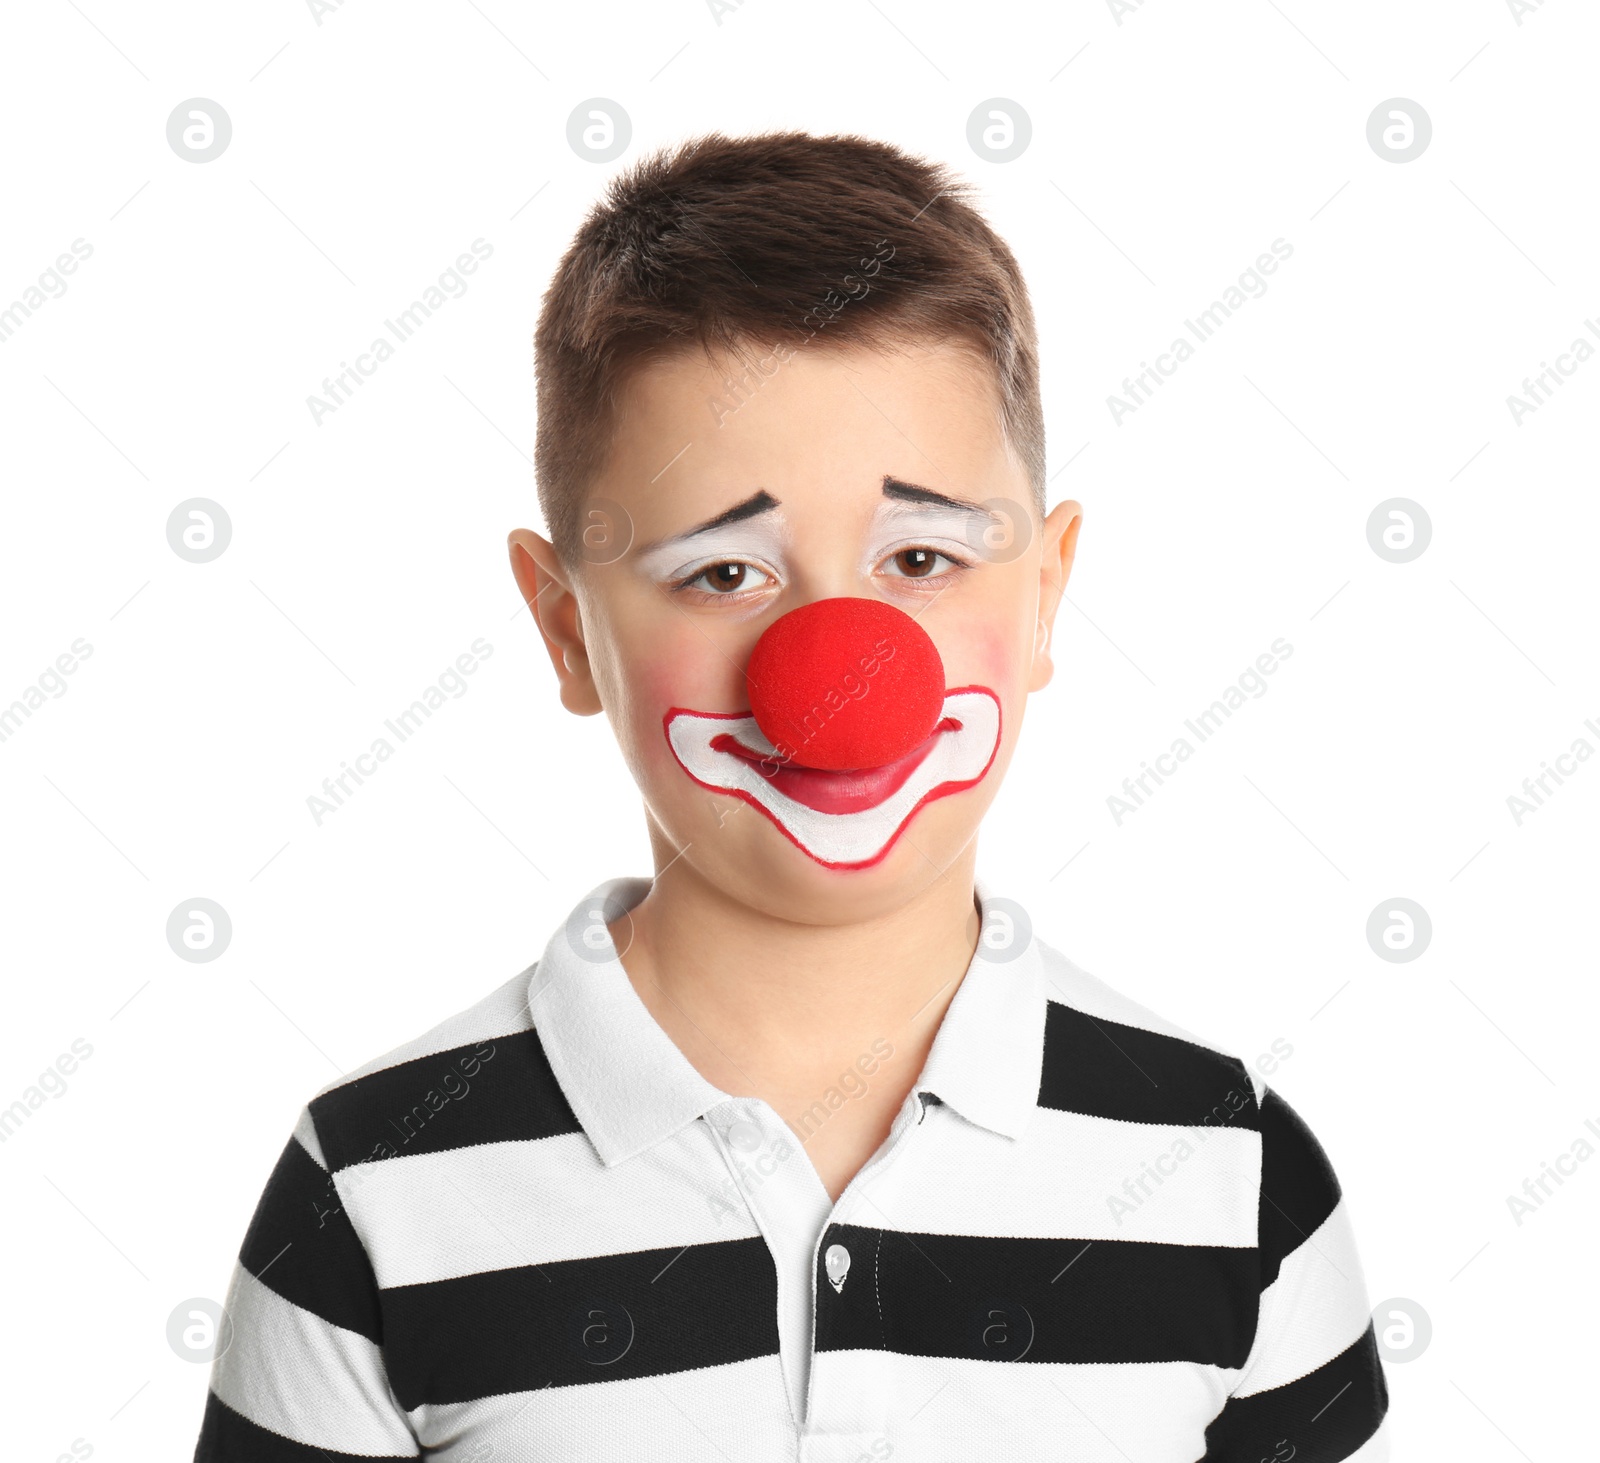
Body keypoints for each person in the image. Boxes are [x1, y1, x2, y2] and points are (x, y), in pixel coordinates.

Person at [194, 130, 1389, 1462]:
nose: (835, 679)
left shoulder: (1233, 1176)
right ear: (566, 629)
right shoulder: (370, 1191)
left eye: (923, 555)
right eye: (722, 574)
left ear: (1045, 596)